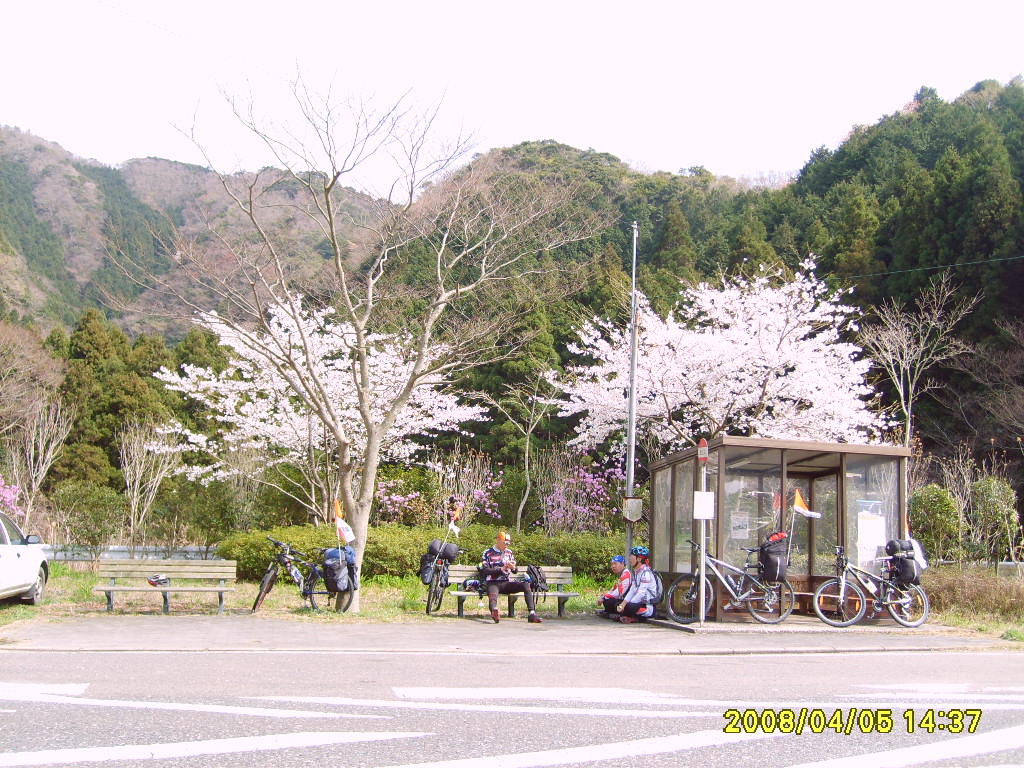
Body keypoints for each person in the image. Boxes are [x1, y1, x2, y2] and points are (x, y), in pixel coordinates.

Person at [479, 530, 542, 624]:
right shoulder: (488, 552)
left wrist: (513, 567)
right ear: (498, 540)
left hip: (506, 582)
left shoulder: (509, 552)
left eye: (508, 543)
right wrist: (502, 568)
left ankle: (532, 613)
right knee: (492, 594)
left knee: (525, 585)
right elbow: (485, 571)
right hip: (493, 582)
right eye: (504, 543)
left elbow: (515, 571)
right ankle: (494, 612)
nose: (506, 545)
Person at [614, 546, 657, 624]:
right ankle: (629, 615)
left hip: (647, 607)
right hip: (637, 604)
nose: (630, 558)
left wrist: (628, 604)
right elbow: (632, 591)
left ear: (639, 559)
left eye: (632, 556)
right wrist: (623, 603)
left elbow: (641, 593)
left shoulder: (646, 573)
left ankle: (630, 615)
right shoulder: (637, 573)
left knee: (628, 607)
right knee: (617, 604)